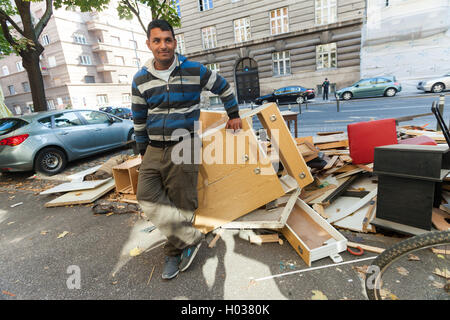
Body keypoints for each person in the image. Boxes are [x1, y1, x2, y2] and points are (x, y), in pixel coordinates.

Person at [131, 19, 242, 280]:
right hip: (154, 147)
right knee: (146, 196)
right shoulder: (140, 79)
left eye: (168, 40)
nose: (163, 45)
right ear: (149, 44)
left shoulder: (194, 69)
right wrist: (142, 147)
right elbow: (138, 115)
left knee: (182, 203)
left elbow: (223, 86)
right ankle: (190, 238)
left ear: (174, 42)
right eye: (157, 40)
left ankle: (172, 253)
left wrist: (233, 113)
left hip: (185, 144)